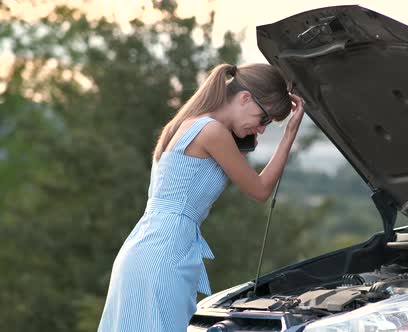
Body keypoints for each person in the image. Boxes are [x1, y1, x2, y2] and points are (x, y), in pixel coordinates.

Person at [97, 63, 305, 331]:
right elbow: (260, 190)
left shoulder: (187, 123)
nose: (262, 129)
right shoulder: (212, 131)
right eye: (264, 119)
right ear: (244, 98)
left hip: (146, 247)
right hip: (165, 255)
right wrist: (289, 134)